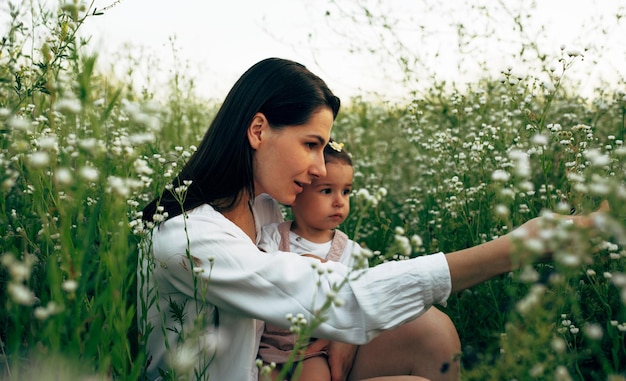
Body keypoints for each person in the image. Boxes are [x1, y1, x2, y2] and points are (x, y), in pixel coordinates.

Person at [138, 57, 601, 381]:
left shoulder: (262, 210)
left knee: (430, 330)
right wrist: (520, 246)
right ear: (258, 130)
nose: (321, 168)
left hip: (284, 364)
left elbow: (320, 288)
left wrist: (335, 333)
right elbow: (329, 298)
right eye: (311, 144)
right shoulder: (188, 239)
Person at [257, 140, 369, 380]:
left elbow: (356, 303)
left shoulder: (350, 252)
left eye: (346, 191)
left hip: (313, 350)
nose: (339, 201)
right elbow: (261, 275)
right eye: (327, 191)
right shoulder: (274, 236)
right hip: (266, 348)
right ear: (296, 194)